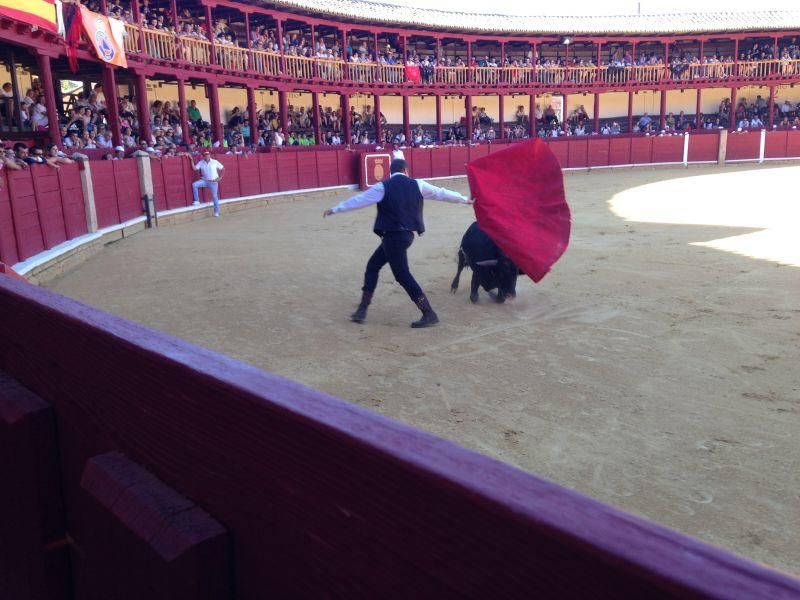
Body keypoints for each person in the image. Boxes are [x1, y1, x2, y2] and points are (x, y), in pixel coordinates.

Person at [323, 158, 472, 328]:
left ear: (391, 172)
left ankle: (428, 313)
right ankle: (362, 310)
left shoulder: (383, 186)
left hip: (393, 237)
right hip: (405, 236)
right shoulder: (418, 184)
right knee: (373, 266)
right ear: (406, 171)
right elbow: (441, 193)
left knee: (402, 275)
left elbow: (359, 201)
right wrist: (463, 199)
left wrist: (336, 209)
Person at [190, 150, 224, 217]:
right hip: (205, 181)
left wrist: (220, 177)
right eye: (205, 155)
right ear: (203, 156)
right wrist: (191, 159)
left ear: (209, 155)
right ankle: (197, 200)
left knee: (214, 197)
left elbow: (223, 168)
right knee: (194, 185)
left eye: (208, 154)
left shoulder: (214, 162)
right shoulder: (201, 162)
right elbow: (194, 168)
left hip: (213, 182)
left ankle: (216, 212)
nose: (207, 156)